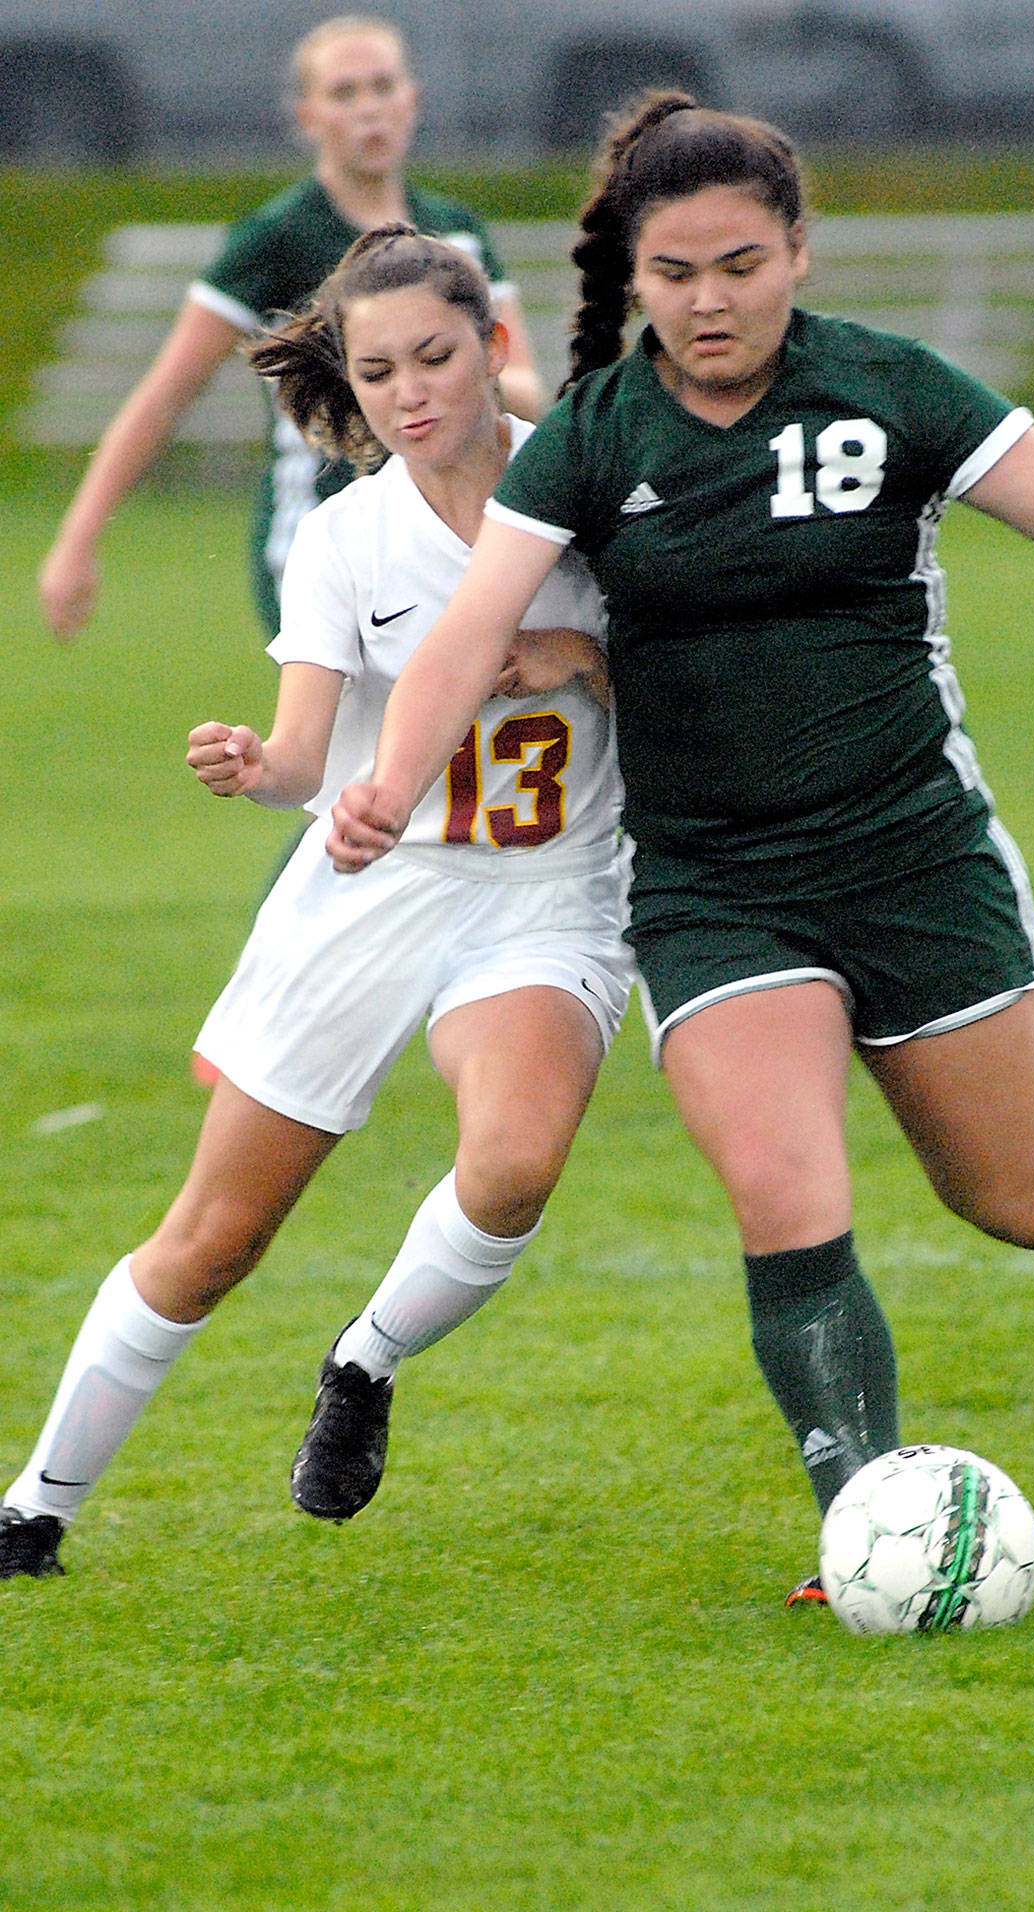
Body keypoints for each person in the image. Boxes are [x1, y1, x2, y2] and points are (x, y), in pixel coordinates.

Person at [323, 95, 1034, 1605]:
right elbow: (468, 629)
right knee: (785, 1187)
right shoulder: (592, 435)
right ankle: (862, 1528)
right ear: (633, 278)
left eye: (741, 266)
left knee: (1009, 1193)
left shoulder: (891, 391)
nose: (710, 301)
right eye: (675, 272)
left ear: (797, 254)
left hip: (913, 858)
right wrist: (386, 780)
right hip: (715, 886)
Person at [0, 226, 631, 1580]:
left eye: (434, 357)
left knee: (514, 1162)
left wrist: (580, 651)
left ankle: (365, 1360)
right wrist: (257, 767)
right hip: (371, 891)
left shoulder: (592, 492)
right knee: (215, 1237)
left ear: (494, 348)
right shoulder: (348, 538)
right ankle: (32, 1509)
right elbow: (301, 755)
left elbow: (699, 674)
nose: (409, 393)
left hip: (550, 893)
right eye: (377, 371)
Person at [37, 13, 546, 645]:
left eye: (383, 86)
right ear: (309, 117)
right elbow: (166, 394)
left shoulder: (456, 235)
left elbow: (525, 387)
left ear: (412, 100)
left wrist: (456, 376)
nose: (369, 109)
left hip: (448, 524)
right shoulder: (277, 237)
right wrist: (78, 539)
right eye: (344, 92)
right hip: (318, 528)